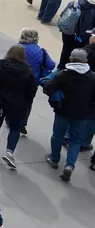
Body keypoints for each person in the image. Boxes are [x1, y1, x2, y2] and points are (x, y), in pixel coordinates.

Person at [43, 48, 95, 181]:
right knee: (76, 140)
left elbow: (48, 87)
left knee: (58, 135)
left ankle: (54, 159)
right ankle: (70, 165)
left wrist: (56, 96)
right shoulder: (92, 77)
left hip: (63, 111)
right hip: (82, 114)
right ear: (86, 61)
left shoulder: (63, 75)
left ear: (71, 59)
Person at [0, 44, 34, 169]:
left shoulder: (1, 64)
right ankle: (9, 152)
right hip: (18, 103)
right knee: (15, 128)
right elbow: (31, 89)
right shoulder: (28, 70)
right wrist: (27, 101)